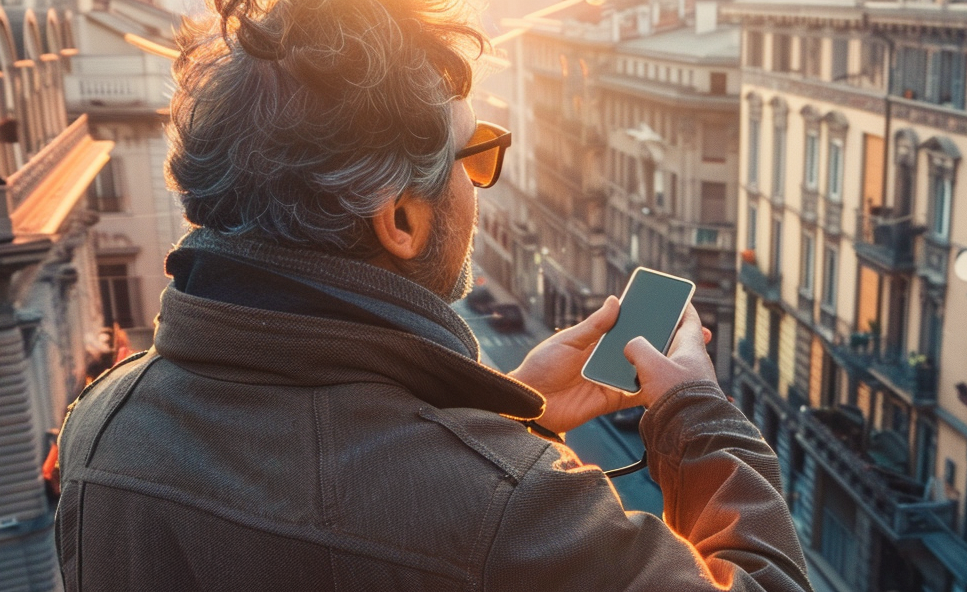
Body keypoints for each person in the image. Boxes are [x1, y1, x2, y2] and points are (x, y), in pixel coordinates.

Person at [50, 0, 810, 589]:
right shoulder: (506, 512)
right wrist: (697, 416)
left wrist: (506, 408)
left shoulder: (101, 425)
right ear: (403, 218)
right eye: (472, 156)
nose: (478, 188)